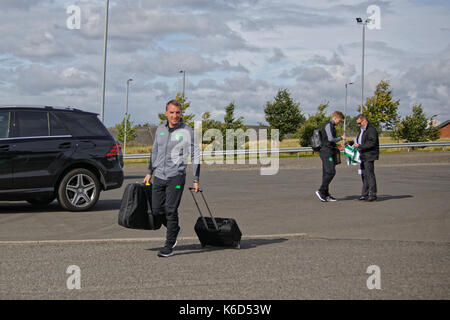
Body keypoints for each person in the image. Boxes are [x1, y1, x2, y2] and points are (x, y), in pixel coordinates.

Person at [143, 99, 200, 257]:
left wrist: (196, 179)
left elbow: (195, 155)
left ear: (181, 113)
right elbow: (154, 151)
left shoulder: (187, 131)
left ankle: (169, 245)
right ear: (166, 113)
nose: (175, 116)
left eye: (177, 112)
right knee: (156, 210)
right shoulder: (160, 129)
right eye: (172, 112)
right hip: (159, 175)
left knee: (170, 210)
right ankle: (174, 228)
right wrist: (149, 172)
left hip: (176, 176)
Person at [315, 111, 345, 202]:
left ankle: (326, 194)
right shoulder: (328, 125)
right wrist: (341, 138)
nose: (339, 122)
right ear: (335, 117)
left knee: (326, 173)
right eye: (340, 120)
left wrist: (337, 145)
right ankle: (321, 190)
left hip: (329, 151)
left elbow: (330, 141)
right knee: (331, 171)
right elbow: (330, 139)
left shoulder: (332, 126)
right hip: (326, 152)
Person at [354, 114, 379, 202]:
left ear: (364, 121)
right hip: (363, 155)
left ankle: (373, 195)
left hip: (369, 155)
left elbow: (372, 143)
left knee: (370, 175)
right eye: (357, 124)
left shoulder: (371, 130)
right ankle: (364, 194)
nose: (358, 125)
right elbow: (359, 141)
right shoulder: (362, 130)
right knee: (364, 175)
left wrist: (360, 146)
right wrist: (351, 143)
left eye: (359, 123)